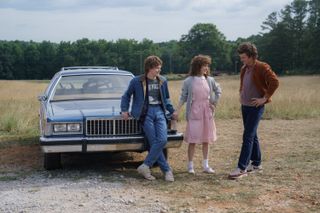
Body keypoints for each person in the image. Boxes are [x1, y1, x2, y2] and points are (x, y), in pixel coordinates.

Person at [121, 55, 177, 182]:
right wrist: (124, 110)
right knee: (153, 142)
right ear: (150, 68)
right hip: (144, 113)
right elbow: (126, 95)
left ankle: (145, 166)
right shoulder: (136, 81)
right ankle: (167, 170)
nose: (159, 70)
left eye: (159, 68)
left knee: (162, 140)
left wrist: (172, 111)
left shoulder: (162, 80)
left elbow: (166, 99)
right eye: (157, 68)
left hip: (159, 112)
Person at [228, 42, 279, 179]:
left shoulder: (262, 67)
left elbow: (275, 82)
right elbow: (243, 83)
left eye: (244, 57)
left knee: (248, 136)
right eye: (241, 57)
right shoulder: (244, 68)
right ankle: (256, 164)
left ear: (251, 56)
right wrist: (241, 93)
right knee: (252, 135)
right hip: (245, 106)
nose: (242, 60)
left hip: (256, 108)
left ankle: (241, 168)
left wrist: (265, 98)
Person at [173, 55, 222, 174]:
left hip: (207, 112)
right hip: (194, 111)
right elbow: (183, 96)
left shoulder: (210, 80)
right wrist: (177, 110)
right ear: (197, 66)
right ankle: (190, 166)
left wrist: (213, 103)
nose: (206, 68)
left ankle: (205, 165)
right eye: (204, 65)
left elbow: (218, 91)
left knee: (206, 139)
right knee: (192, 139)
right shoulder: (188, 81)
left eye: (207, 65)